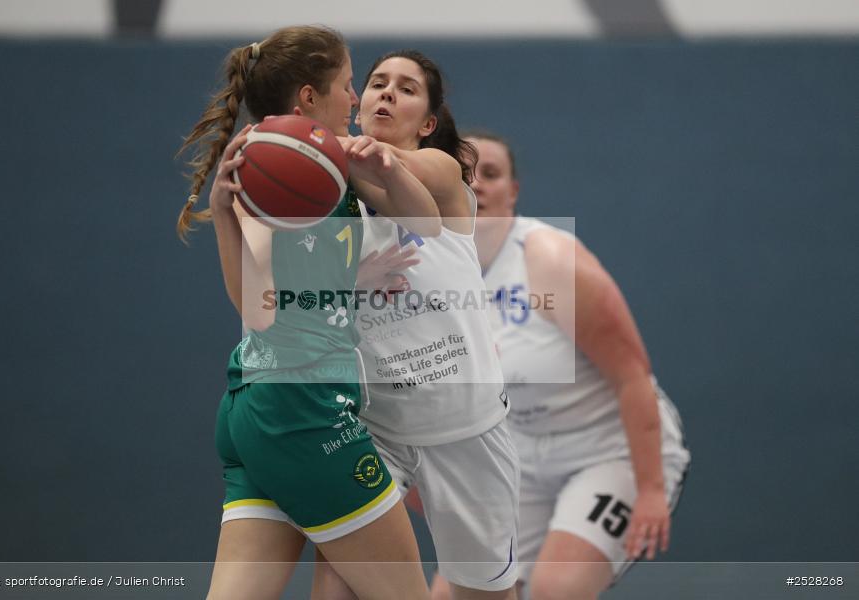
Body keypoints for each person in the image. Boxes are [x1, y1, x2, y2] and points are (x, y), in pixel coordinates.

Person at [176, 26, 442, 600]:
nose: (356, 100)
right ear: (308, 97)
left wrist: (387, 172)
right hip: (305, 411)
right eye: (349, 85)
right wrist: (228, 216)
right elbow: (261, 306)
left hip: (252, 409)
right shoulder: (269, 167)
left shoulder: (323, 157)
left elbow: (429, 225)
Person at [428, 132, 691, 600]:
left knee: (556, 590)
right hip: (521, 457)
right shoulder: (428, 271)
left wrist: (650, 488)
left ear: (513, 192)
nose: (477, 185)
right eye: (464, 173)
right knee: (452, 594)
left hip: (609, 450)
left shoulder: (548, 260)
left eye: (491, 174)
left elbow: (633, 375)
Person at [315, 52, 521, 600]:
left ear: (427, 123)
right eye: (377, 83)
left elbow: (413, 170)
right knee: (337, 586)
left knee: (483, 591)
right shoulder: (326, 197)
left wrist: (314, 142)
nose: (387, 93)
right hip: (375, 428)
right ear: (358, 106)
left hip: (466, 426)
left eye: (406, 89)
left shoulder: (443, 174)